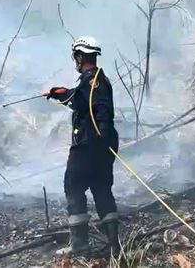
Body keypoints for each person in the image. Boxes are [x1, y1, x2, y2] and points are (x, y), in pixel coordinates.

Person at [45, 36, 120, 256]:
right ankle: (114, 244)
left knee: (73, 186)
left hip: (88, 145)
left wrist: (98, 138)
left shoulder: (92, 81)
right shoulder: (97, 80)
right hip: (103, 146)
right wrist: (61, 94)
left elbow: (95, 108)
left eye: (75, 57)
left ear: (79, 56)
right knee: (102, 188)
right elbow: (82, 101)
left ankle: (79, 245)